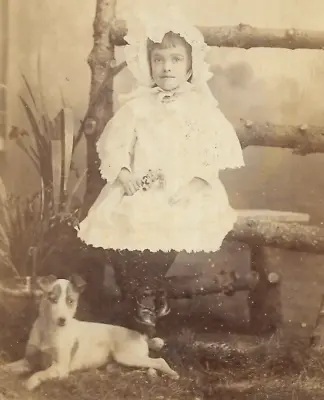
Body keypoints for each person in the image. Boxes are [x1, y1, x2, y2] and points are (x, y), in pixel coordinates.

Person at [76, 4, 245, 327]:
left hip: (183, 188)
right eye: (159, 59)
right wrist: (123, 173)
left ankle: (146, 294)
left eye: (176, 59)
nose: (167, 67)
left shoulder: (200, 108)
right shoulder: (137, 107)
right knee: (119, 222)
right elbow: (116, 143)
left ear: (190, 65)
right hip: (140, 185)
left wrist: (194, 183)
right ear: (148, 64)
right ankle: (147, 294)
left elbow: (211, 152)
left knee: (166, 223)